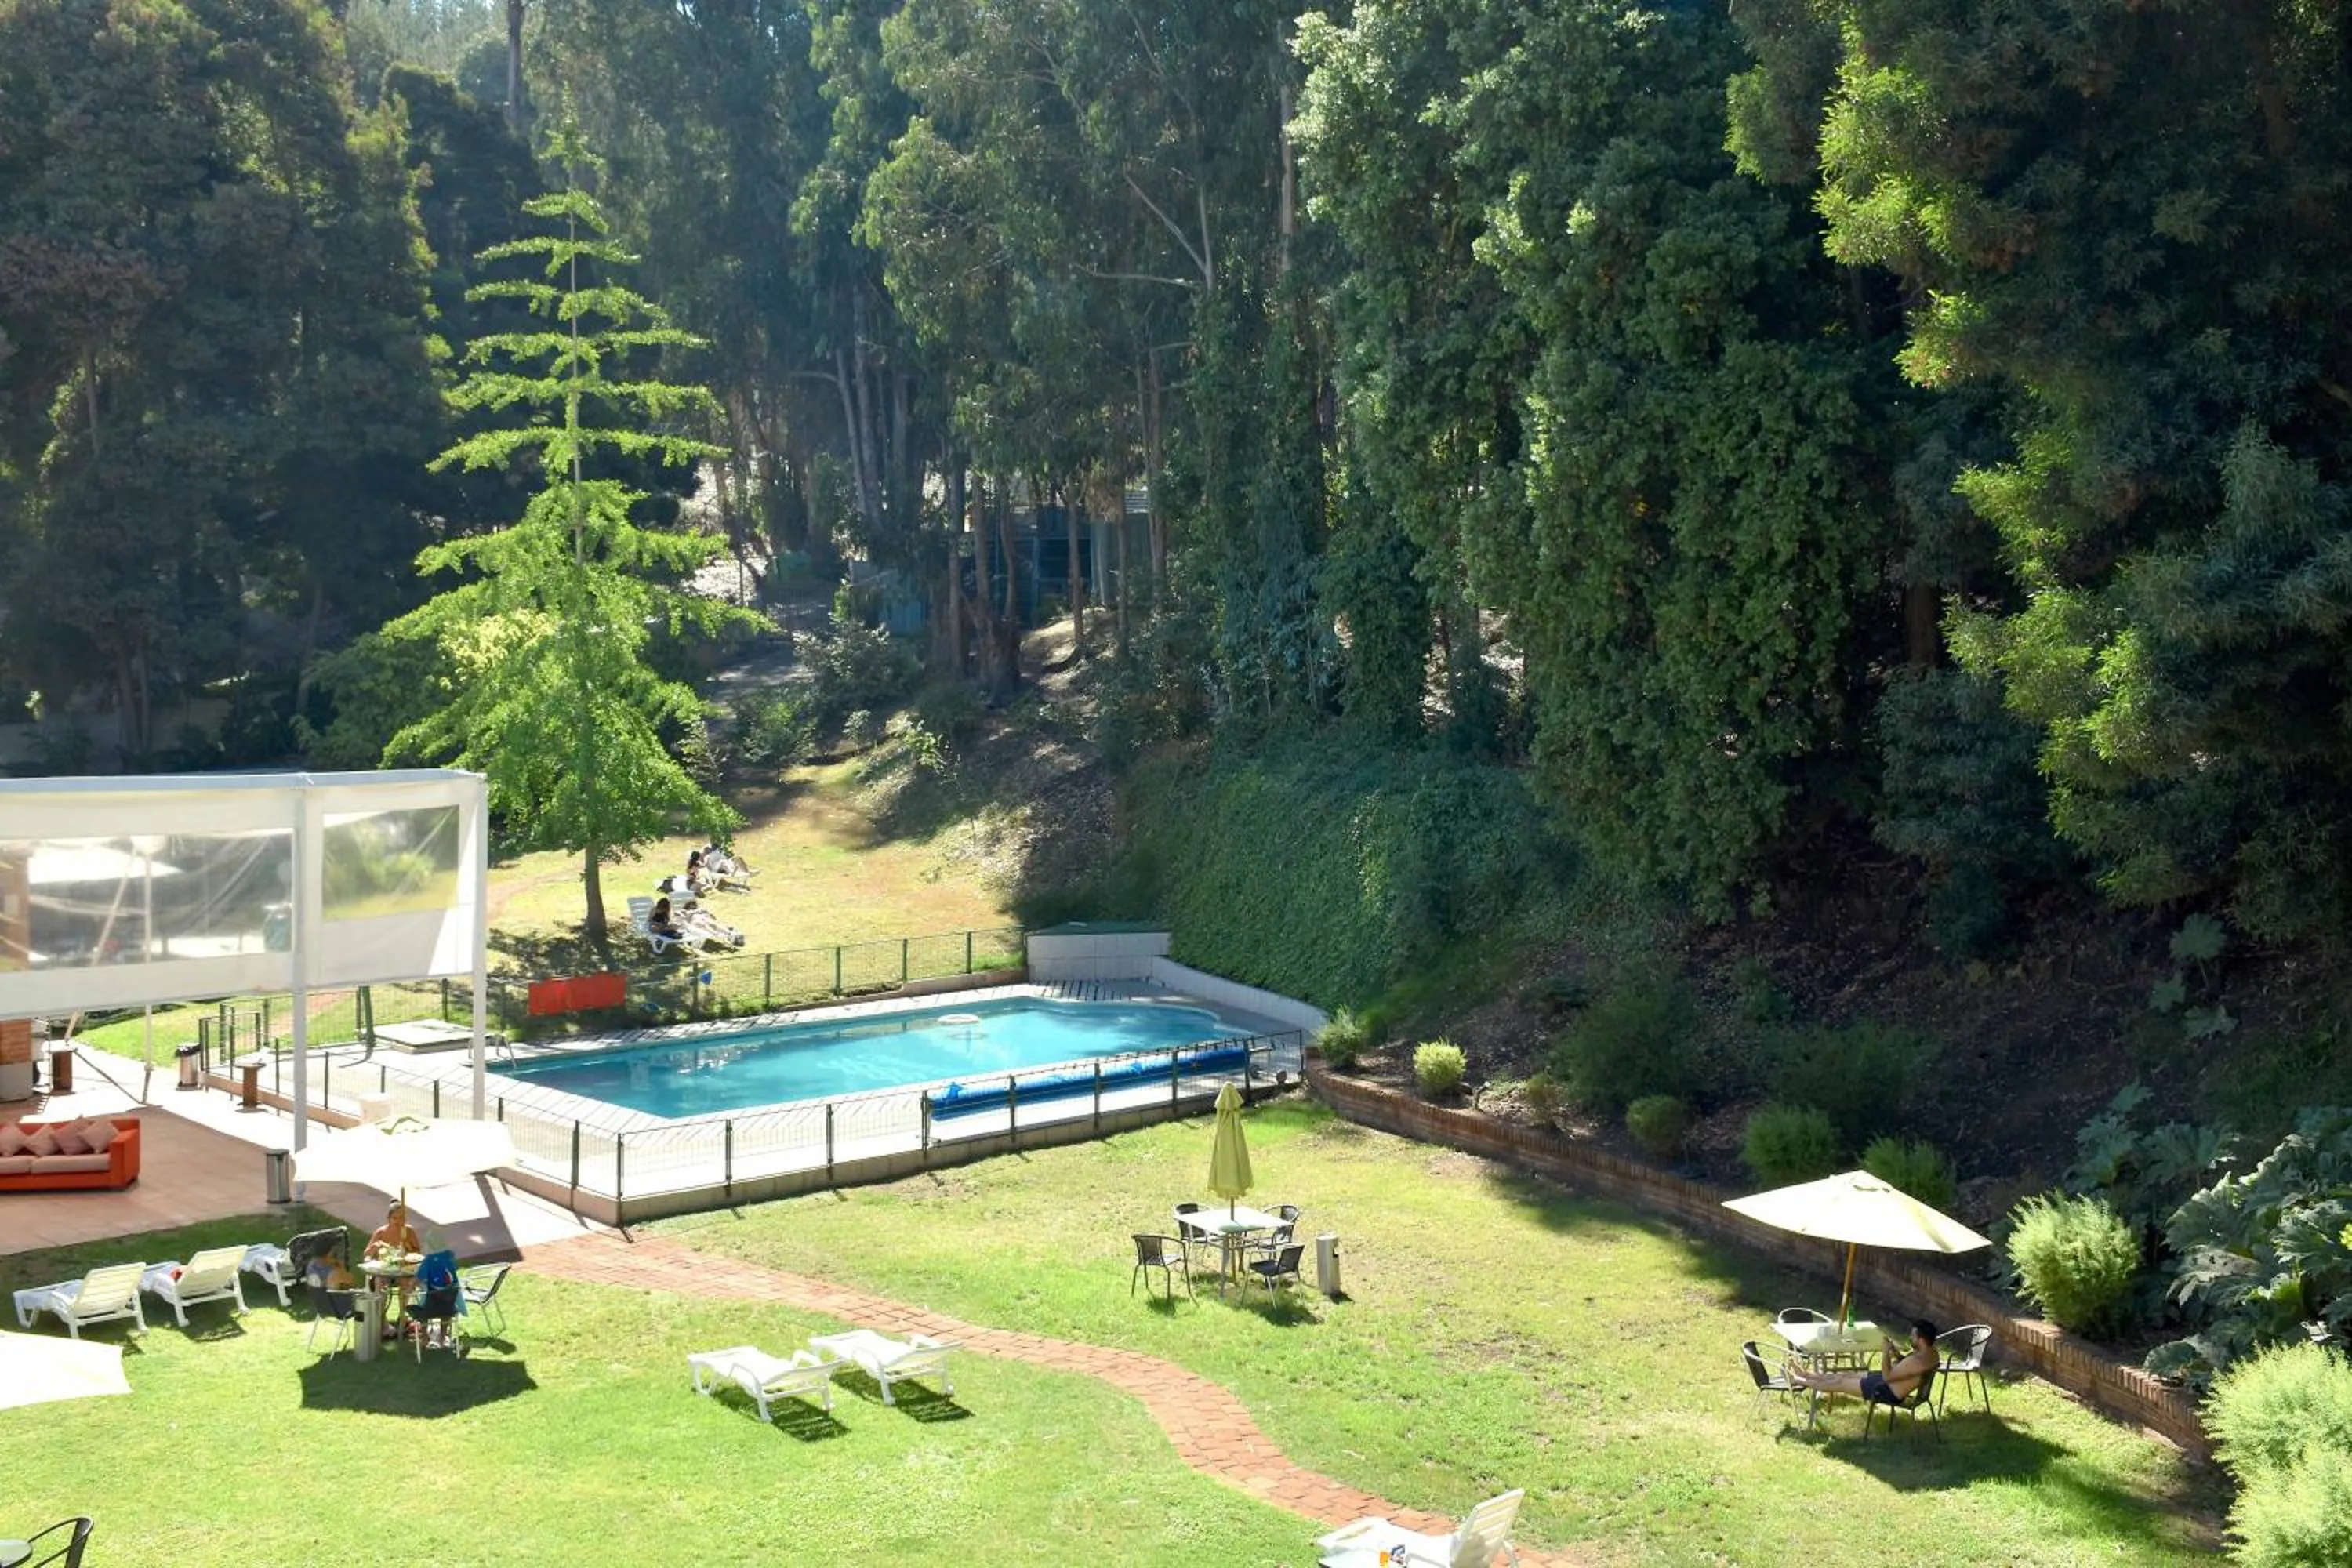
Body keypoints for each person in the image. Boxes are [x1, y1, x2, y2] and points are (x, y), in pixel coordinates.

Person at [1787, 1316, 1940, 1407]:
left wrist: (1885, 1352)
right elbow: (1905, 1368)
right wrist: (1896, 1353)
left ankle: (1799, 1380)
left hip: (1886, 1390)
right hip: (1889, 1382)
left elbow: (1888, 1376)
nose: (1910, 1338)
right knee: (1845, 1375)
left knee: (1839, 1384)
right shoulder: (1931, 1353)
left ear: (1921, 1339)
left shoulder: (1917, 1360)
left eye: (1912, 1336)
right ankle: (1807, 1375)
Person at [365, 1200, 424, 1326]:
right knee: (378, 1283)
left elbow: (417, 1252)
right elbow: (366, 1254)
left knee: (407, 1283)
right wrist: (374, 1248)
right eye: (395, 1218)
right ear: (388, 1219)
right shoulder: (381, 1232)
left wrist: (409, 1248)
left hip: (403, 1270)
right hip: (385, 1271)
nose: (398, 1221)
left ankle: (403, 1315)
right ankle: (381, 1319)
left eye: (401, 1218)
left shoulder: (409, 1231)